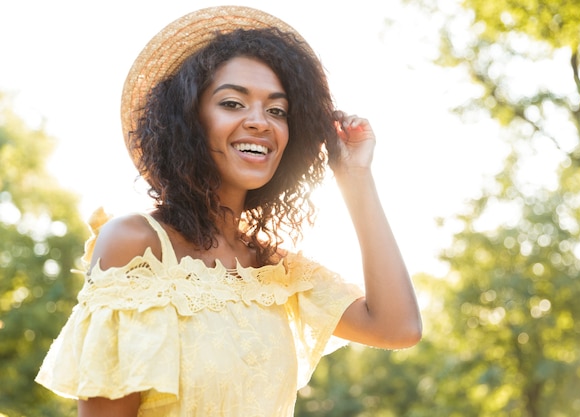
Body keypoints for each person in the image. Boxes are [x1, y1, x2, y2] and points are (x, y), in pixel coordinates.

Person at [35, 6, 421, 417]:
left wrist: (354, 175)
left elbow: (398, 327)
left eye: (277, 110)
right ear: (188, 119)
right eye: (233, 103)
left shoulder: (276, 269)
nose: (260, 122)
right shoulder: (135, 244)